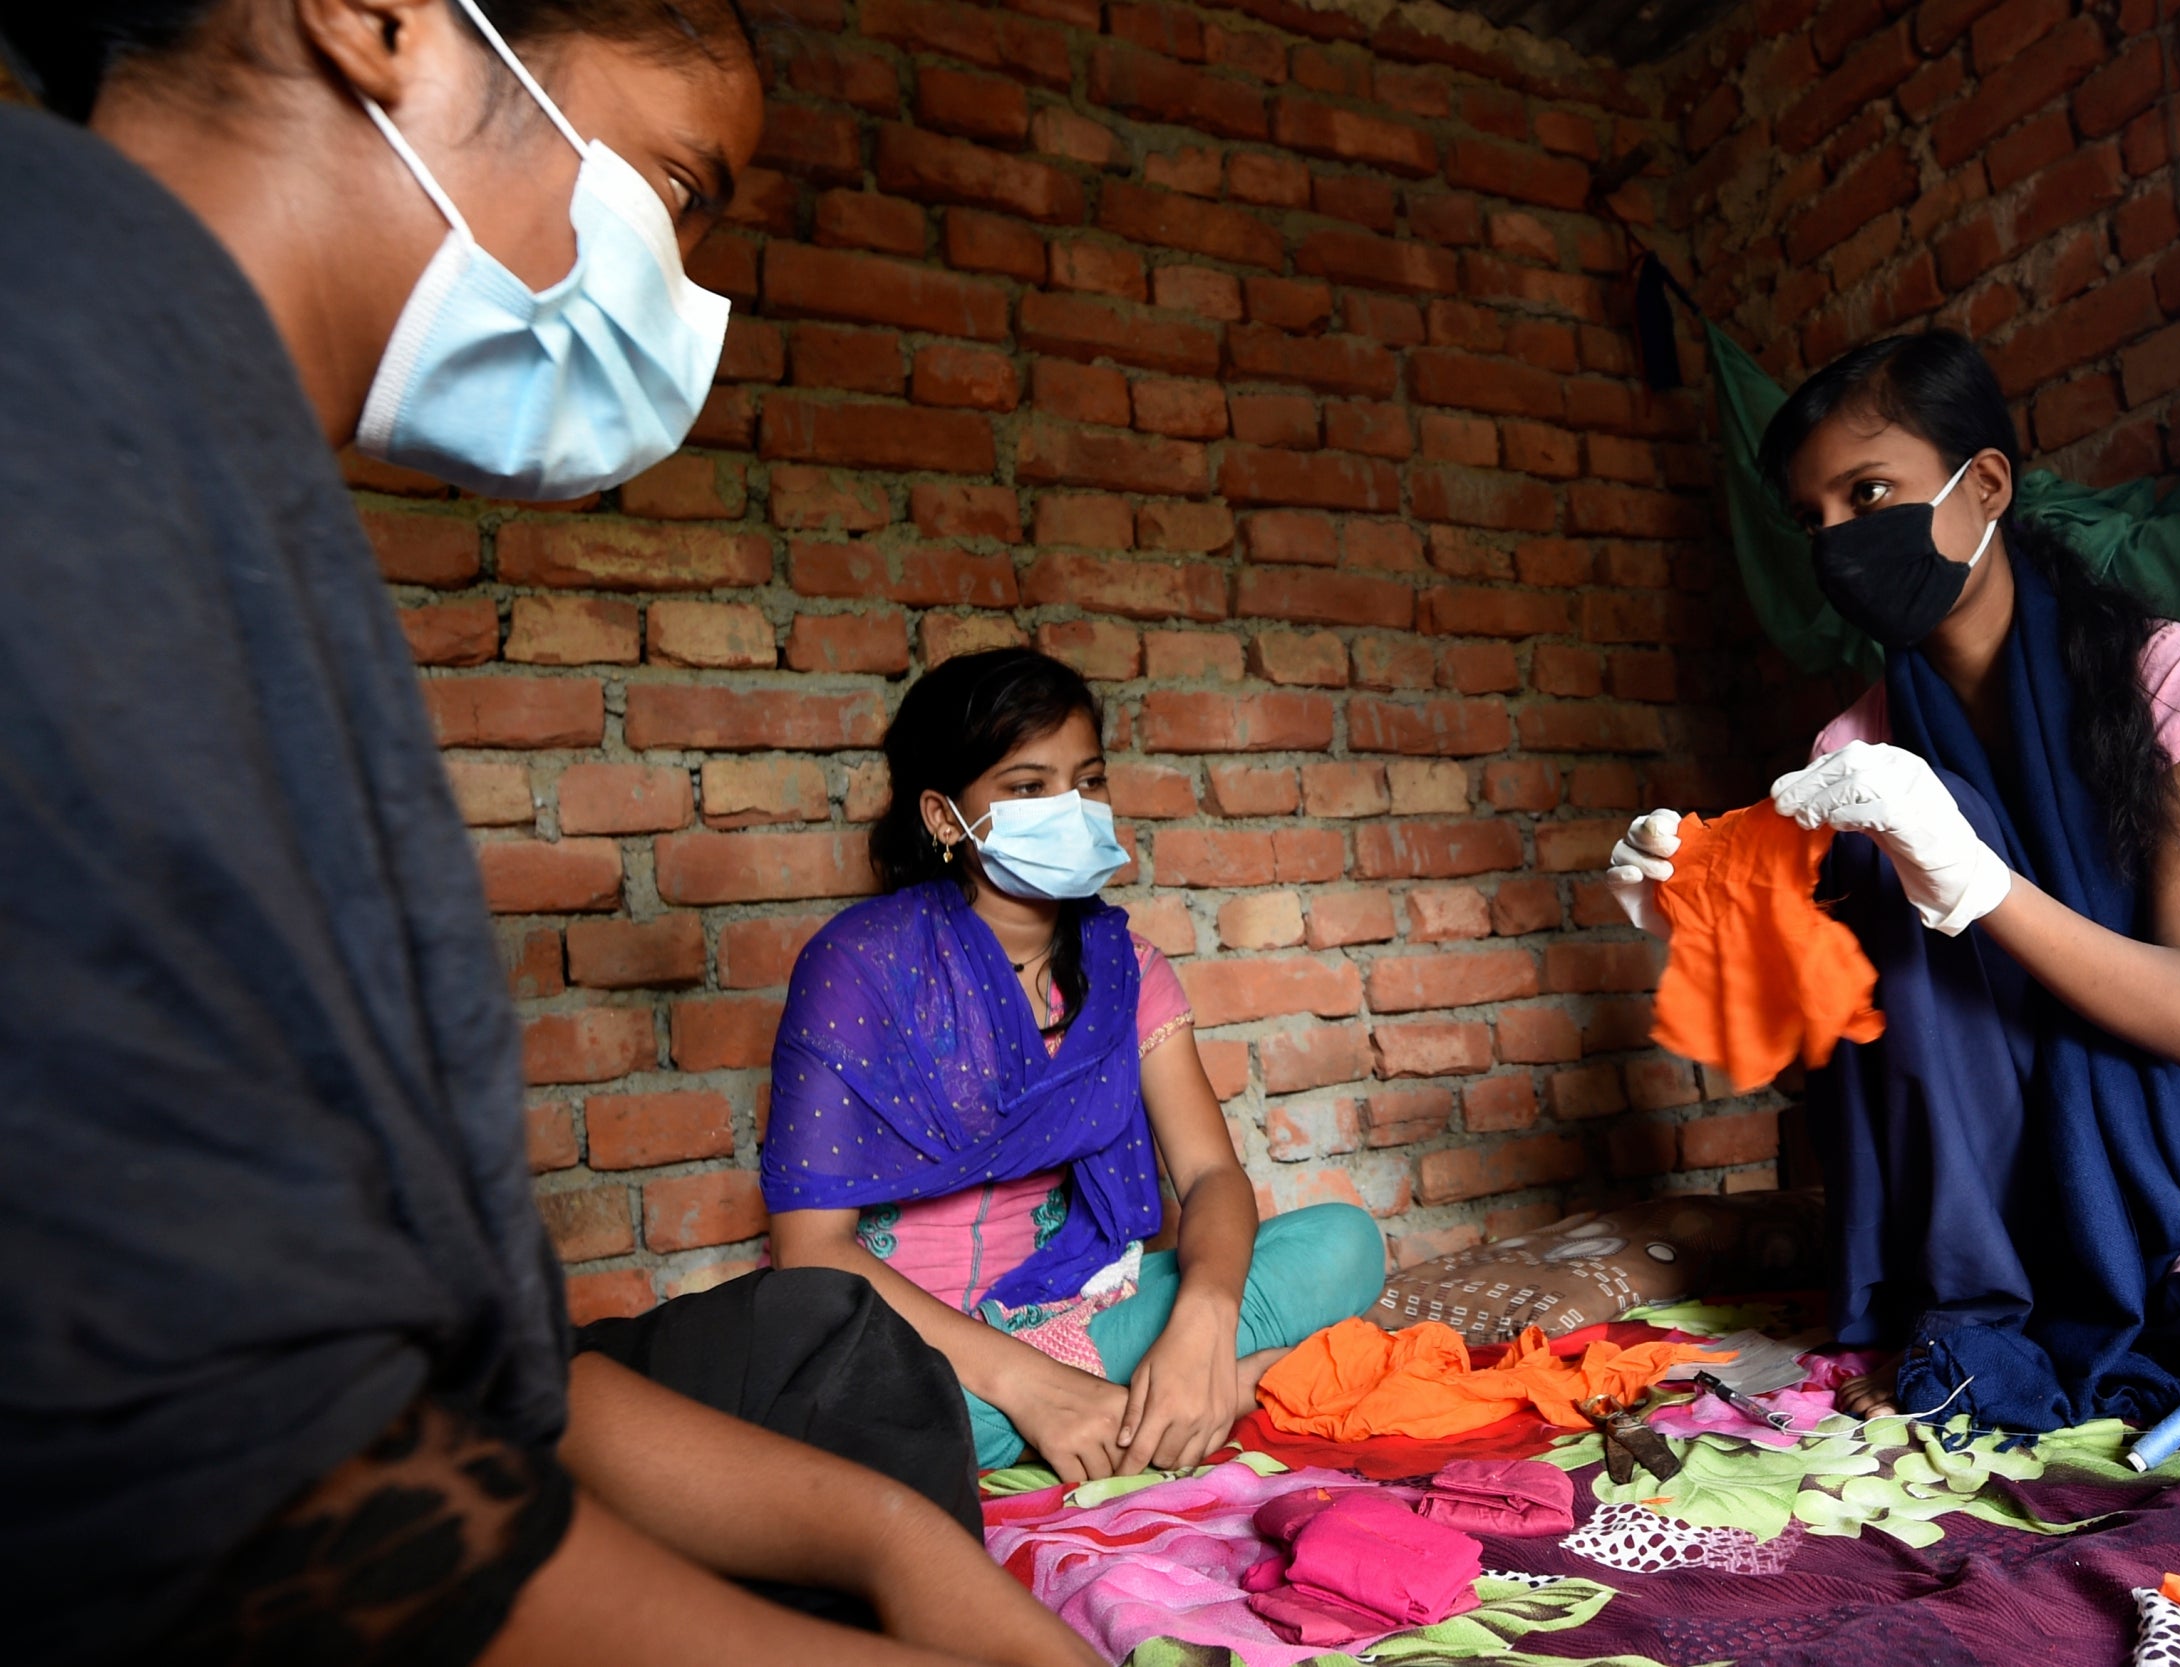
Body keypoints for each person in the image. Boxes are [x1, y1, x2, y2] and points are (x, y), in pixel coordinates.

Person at [0, 4, 1101, 1664]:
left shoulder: (212, 461)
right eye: (674, 186)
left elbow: (478, 1380)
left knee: (840, 1407)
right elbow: (212, 1468)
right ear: (377, 20)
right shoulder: (64, 371)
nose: (668, 280)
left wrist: (885, 1537)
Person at [1608, 330, 2180, 1455]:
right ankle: (2040, 1338)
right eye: (1811, 518)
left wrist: (1976, 879)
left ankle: (2104, 1357)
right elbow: (1856, 1052)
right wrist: (1685, 925)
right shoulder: (1850, 750)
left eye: (1868, 492)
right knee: (1925, 819)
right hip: (1990, 1219)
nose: (1837, 541)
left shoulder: (2167, 674)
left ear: (1984, 484)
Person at [764, 648, 1388, 1483]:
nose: (1071, 808)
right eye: (1028, 787)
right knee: (833, 1418)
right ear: (946, 817)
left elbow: (1210, 1177)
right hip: (895, 1337)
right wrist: (1029, 1384)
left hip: (1067, 1308)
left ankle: (1139, 1395)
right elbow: (811, 1249)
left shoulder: (1127, 969)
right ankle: (1172, 1402)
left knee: (1344, 1244)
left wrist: (1201, 1319)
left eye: (1087, 781)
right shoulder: (859, 965)